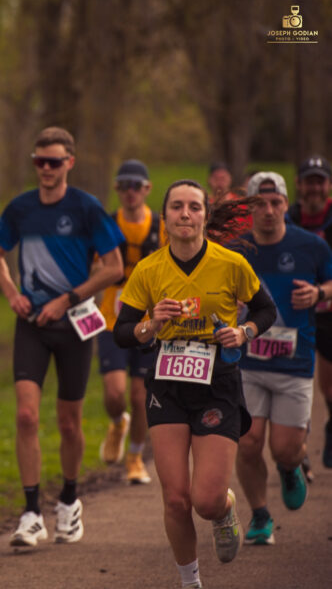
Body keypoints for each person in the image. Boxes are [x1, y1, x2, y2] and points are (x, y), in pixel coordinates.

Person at [114, 179, 276, 588]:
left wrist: (244, 333)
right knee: (175, 498)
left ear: (205, 214)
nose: (185, 214)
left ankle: (224, 510)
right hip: (167, 382)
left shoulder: (230, 264)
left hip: (216, 381)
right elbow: (122, 330)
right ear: (165, 216)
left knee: (204, 500)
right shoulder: (149, 269)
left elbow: (265, 309)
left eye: (194, 207)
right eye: (177, 207)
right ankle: (190, 582)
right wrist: (152, 324)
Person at [0, 127, 124, 548]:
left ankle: (69, 500)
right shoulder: (21, 209)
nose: (46, 169)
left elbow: (114, 267)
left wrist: (67, 299)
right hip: (31, 324)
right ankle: (30, 513)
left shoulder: (86, 208)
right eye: (39, 162)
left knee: (69, 422)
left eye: (54, 161)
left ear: (70, 163)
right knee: (26, 416)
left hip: (75, 324)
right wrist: (12, 294)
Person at [233, 172, 332, 546]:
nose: (269, 211)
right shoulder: (237, 249)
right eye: (260, 203)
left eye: (276, 203)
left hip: (294, 361)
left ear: (285, 204)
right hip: (247, 361)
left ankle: (291, 466)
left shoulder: (311, 246)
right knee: (247, 442)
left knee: (284, 448)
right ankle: (260, 515)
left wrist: (319, 292)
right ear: (250, 208)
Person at [96, 159, 163, 484]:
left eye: (136, 185)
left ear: (147, 189)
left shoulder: (161, 227)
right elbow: (92, 267)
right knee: (114, 393)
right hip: (111, 320)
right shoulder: (107, 226)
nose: (130, 192)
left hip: (150, 324)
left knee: (140, 397)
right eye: (124, 186)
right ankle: (117, 424)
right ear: (116, 190)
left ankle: (135, 457)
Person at [288, 155, 332, 468]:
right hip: (293, 314)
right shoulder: (286, 218)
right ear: (299, 185)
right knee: (293, 381)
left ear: (328, 185)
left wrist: (321, 293)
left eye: (320, 181)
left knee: (329, 386)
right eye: (309, 181)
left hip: (329, 310)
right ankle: (295, 448)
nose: (314, 188)